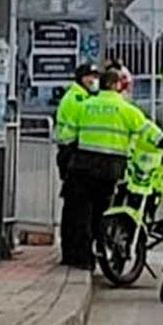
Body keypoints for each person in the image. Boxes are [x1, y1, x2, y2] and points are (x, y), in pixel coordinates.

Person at [60, 69, 163, 271]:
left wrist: (69, 153)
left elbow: (67, 136)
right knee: (101, 213)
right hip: (110, 170)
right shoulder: (125, 109)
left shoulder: (85, 106)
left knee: (81, 213)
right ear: (117, 85)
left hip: (83, 166)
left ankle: (82, 258)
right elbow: (150, 131)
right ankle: (100, 252)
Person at [55, 63, 101, 266]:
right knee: (79, 209)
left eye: (95, 76)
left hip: (74, 153)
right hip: (72, 153)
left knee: (75, 207)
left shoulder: (82, 97)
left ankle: (72, 252)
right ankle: (77, 254)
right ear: (81, 78)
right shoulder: (77, 99)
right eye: (90, 77)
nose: (93, 80)